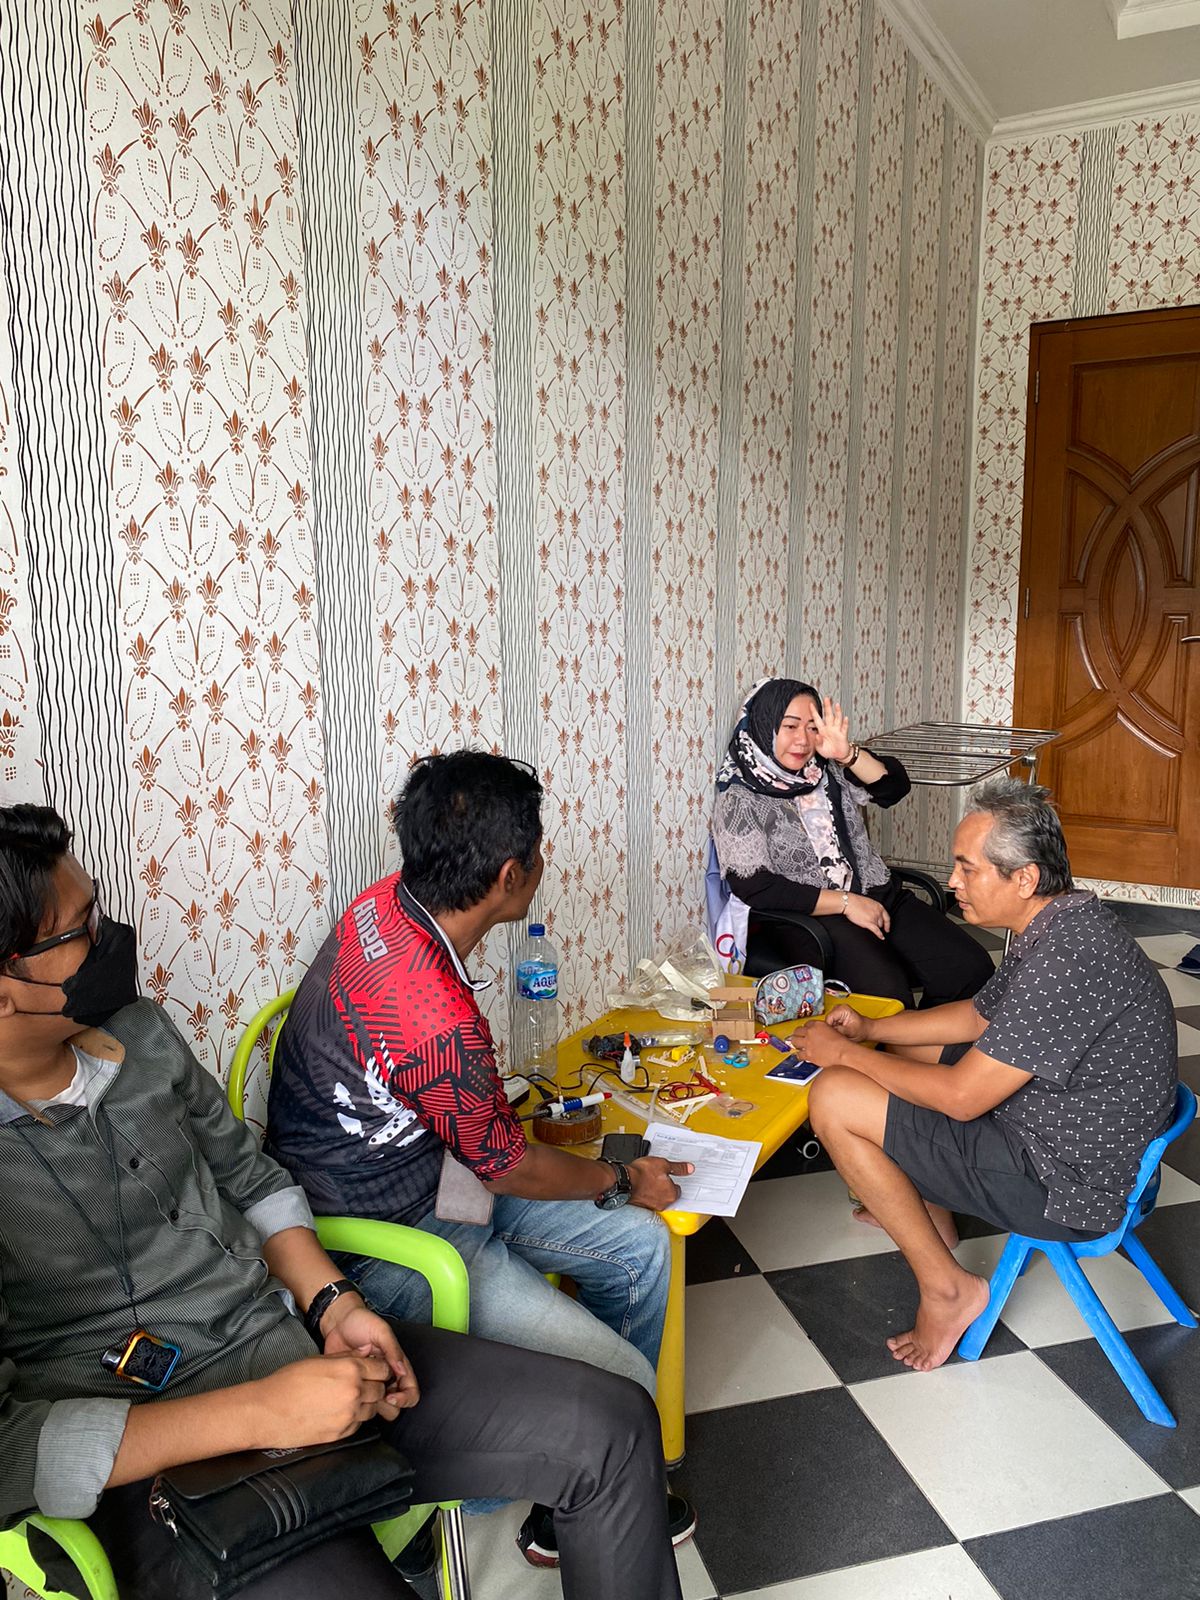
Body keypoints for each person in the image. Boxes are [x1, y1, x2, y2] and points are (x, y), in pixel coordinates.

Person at [0, 804, 684, 1600]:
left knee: (614, 1424)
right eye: (80, 932)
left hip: (294, 1344)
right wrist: (262, 1413)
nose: (112, 939)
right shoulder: (418, 992)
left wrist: (334, 1303)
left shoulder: (142, 1034)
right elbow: (8, 1450)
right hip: (161, 1455)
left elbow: (252, 1179)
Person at [265, 752, 695, 1567]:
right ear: (508, 876)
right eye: (537, 850)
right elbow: (505, 1167)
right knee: (627, 1385)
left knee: (640, 1249)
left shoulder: (381, 905)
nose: (542, 861)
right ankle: (556, 1464)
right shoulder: (434, 1015)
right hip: (389, 1237)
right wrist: (622, 1176)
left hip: (441, 1174)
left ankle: (563, 1489)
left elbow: (479, 1142)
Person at [792, 777, 1178, 1373]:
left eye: (967, 869)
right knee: (908, 1053)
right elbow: (978, 1016)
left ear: (1024, 878)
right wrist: (872, 1028)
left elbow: (963, 1099)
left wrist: (844, 1056)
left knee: (835, 1097)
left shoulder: (1064, 959)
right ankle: (930, 1212)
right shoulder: (1063, 919)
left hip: (1067, 1184)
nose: (952, 882)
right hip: (1072, 1131)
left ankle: (947, 1288)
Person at [712, 677, 994, 1008]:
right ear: (765, 724)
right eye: (790, 726)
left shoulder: (827, 768)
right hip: (814, 918)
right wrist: (847, 902)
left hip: (880, 895)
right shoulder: (741, 797)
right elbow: (755, 886)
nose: (803, 739)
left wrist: (846, 754)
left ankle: (930, 1037)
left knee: (971, 970)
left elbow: (893, 788)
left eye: (813, 727)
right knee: (888, 999)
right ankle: (899, 1040)